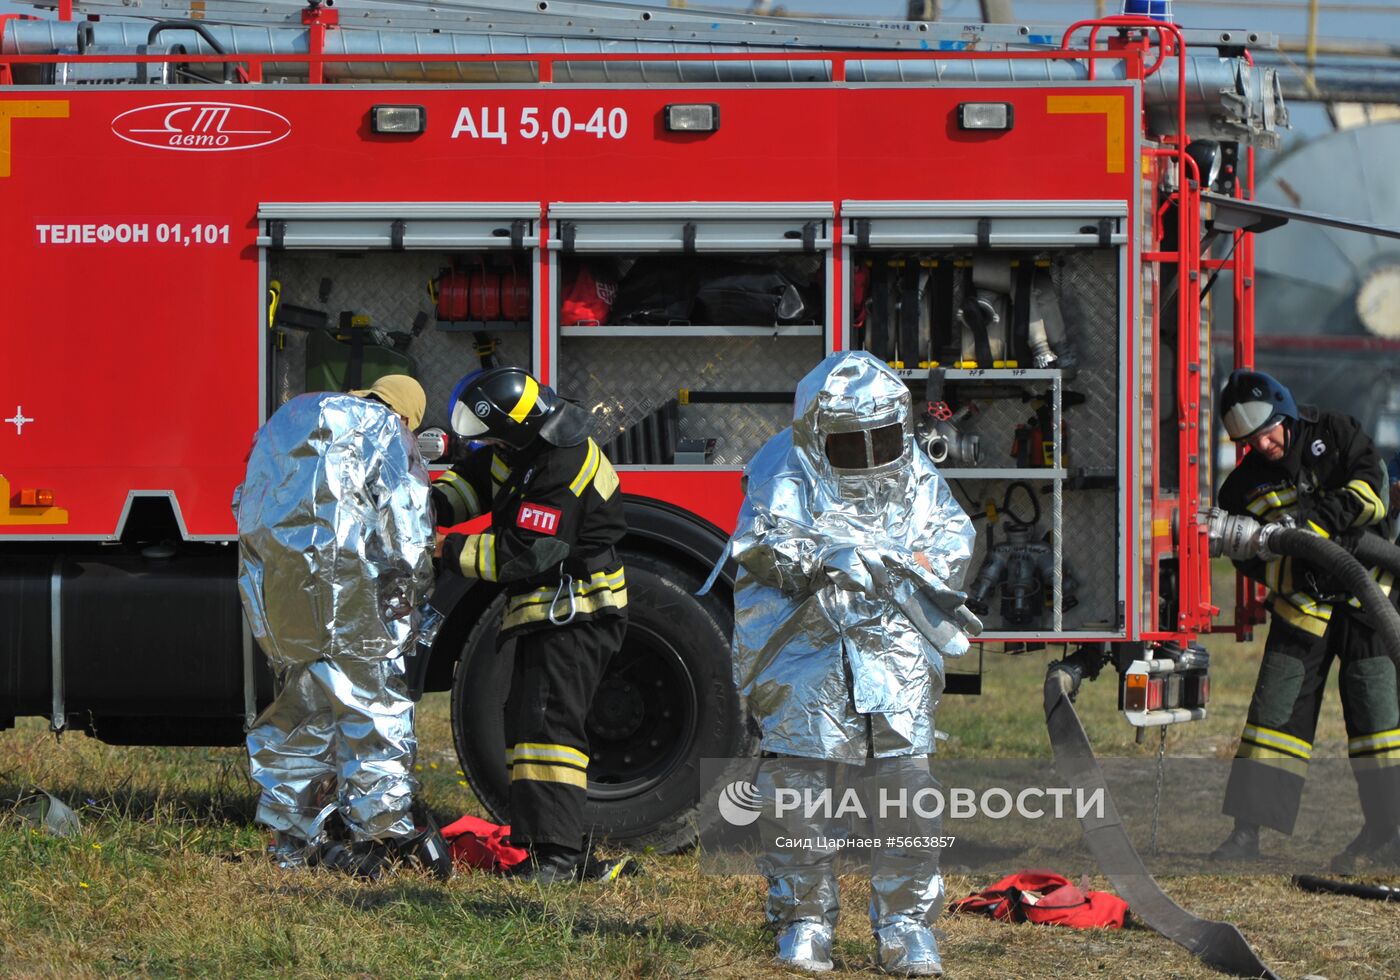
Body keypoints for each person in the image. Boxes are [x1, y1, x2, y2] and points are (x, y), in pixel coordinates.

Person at [726, 351, 976, 975]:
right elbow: (760, 541)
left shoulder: (912, 468)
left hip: (892, 648)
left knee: (907, 790)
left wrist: (917, 569)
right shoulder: (784, 464)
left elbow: (952, 534)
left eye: (880, 437)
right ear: (817, 433)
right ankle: (805, 920)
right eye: (849, 441)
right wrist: (823, 559)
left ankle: (906, 926)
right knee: (798, 791)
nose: (869, 454)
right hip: (807, 648)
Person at [235, 375, 450, 880]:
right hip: (357, 599)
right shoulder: (387, 430)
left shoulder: (289, 421)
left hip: (287, 597)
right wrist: (414, 594)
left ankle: (293, 839)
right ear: (407, 414)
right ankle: (381, 834)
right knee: (373, 710)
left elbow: (246, 502)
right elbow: (407, 523)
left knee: (300, 712)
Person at [434, 366, 627, 884]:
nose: (490, 446)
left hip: (579, 609)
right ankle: (545, 848)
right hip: (552, 610)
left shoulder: (563, 463)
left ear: (515, 428)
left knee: (549, 731)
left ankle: (558, 858)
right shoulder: (524, 445)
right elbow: (476, 478)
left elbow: (528, 553)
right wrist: (427, 505)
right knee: (529, 728)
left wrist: (444, 549)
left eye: (494, 436)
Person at [1211, 369, 1400, 871]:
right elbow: (1248, 559)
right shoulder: (1241, 488)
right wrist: (1296, 569)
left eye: (1268, 431)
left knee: (1379, 723)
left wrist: (1312, 527)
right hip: (1303, 605)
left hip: (1368, 600)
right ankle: (1246, 834)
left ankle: (1388, 832)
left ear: (1285, 412)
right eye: (1250, 440)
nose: (1263, 444)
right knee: (1273, 717)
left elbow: (1373, 492)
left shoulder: (1336, 432)